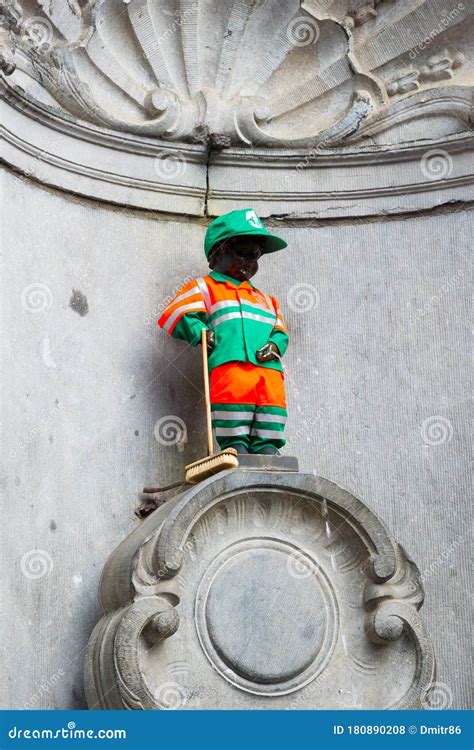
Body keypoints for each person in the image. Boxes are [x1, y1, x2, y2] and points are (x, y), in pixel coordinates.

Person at [158, 208, 289, 455]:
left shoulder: (266, 300)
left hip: (269, 374)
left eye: (256, 257)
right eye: (243, 254)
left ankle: (268, 449)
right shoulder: (206, 287)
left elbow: (280, 331)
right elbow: (176, 313)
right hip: (230, 372)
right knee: (232, 415)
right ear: (217, 254)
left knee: (271, 412)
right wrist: (199, 331)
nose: (250, 263)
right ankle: (235, 447)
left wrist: (275, 345)